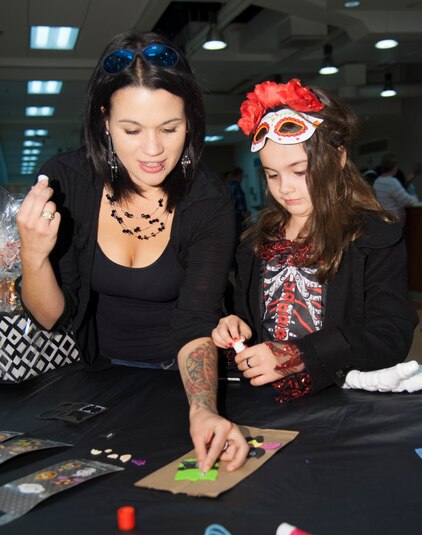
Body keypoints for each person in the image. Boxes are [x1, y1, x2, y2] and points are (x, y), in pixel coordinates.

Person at [16, 30, 249, 471]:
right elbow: (51, 317)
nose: (153, 149)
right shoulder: (66, 181)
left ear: (190, 121)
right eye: (131, 129)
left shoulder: (207, 200)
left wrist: (202, 407)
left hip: (180, 377)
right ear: (104, 119)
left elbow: (196, 318)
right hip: (98, 375)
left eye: (170, 128)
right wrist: (33, 255)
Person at [211, 79, 418, 403]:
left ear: (337, 159)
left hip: (345, 399)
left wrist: (299, 355)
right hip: (266, 402)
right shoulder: (257, 241)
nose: (286, 189)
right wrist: (236, 328)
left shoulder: (372, 236)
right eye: (272, 174)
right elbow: (249, 318)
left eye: (300, 171)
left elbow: (390, 334)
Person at [373, 153, 419, 225]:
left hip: (384, 219)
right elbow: (407, 201)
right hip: (394, 222)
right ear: (394, 167)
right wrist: (415, 197)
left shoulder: (377, 181)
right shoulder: (392, 182)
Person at [227, 167, 249, 243]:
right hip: (239, 217)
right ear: (239, 175)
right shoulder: (237, 187)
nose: (242, 177)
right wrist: (247, 218)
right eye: (242, 175)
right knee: (242, 238)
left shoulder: (228, 185)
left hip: (231, 216)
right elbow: (240, 205)